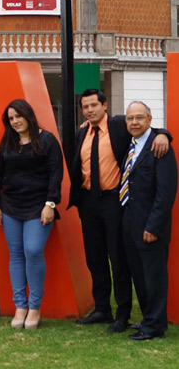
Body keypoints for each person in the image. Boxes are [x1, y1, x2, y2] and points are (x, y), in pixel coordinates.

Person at [69, 89, 170, 332]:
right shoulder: (82, 131)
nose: (90, 110)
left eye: (94, 105)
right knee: (95, 259)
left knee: (119, 260)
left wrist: (164, 134)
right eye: (85, 107)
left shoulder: (118, 125)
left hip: (114, 202)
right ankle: (102, 308)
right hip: (88, 203)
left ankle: (122, 314)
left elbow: (144, 130)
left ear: (105, 106)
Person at [0, 99, 63, 329]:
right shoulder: (7, 141)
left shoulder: (47, 139)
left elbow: (56, 173)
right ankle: (20, 306)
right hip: (10, 206)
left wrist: (50, 204)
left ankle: (35, 306)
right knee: (16, 254)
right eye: (10, 119)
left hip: (38, 207)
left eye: (18, 116)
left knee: (33, 251)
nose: (15, 121)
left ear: (28, 115)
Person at [119, 101, 177, 341]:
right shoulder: (130, 146)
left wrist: (153, 226)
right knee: (140, 275)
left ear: (150, 120)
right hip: (130, 224)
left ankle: (155, 326)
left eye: (139, 117)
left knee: (154, 277)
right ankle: (148, 319)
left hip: (151, 226)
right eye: (130, 118)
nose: (134, 122)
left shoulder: (160, 148)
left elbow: (166, 193)